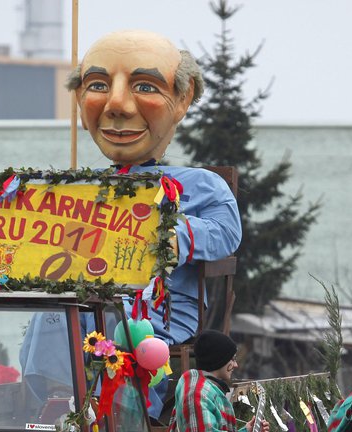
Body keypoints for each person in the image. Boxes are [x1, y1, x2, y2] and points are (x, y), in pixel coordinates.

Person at [67, 29, 242, 345]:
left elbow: (227, 234)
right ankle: (55, 394)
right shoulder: (80, 185)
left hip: (159, 309)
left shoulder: (202, 184)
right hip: (80, 305)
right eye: (97, 86)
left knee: (124, 337)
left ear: (182, 99)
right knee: (51, 322)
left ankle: (124, 397)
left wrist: (176, 236)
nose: (117, 105)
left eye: (145, 87)